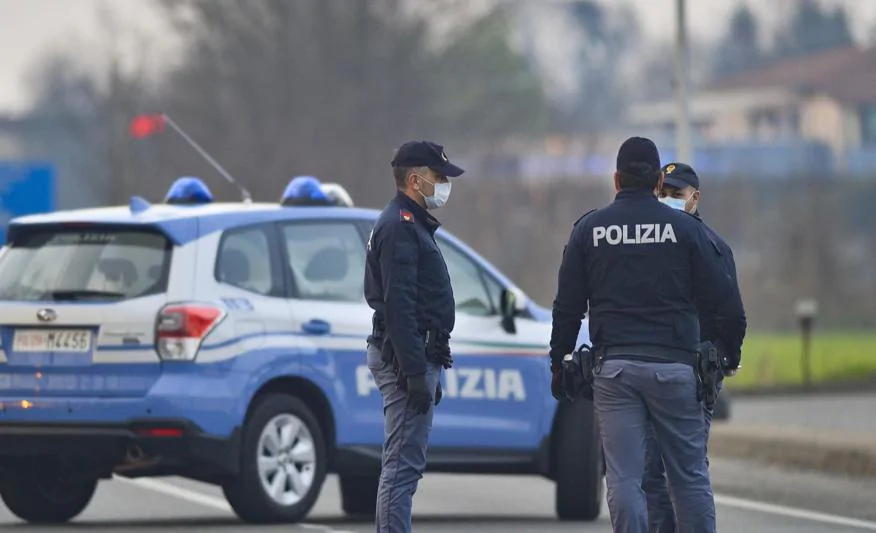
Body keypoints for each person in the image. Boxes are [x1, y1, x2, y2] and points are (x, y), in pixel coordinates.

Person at [549, 137, 746, 533]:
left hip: (615, 371)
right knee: (689, 477)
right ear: (658, 181)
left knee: (624, 478)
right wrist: (725, 356)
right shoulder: (687, 231)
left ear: (616, 179)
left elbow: (567, 306)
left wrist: (559, 362)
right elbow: (727, 303)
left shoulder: (590, 229)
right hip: (676, 370)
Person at [363, 140, 464, 533]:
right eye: (439, 178)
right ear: (415, 179)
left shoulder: (409, 222)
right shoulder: (400, 226)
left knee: (404, 464)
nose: (444, 185)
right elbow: (399, 304)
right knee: (402, 468)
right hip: (407, 356)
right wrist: (414, 369)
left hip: (418, 353)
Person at [643, 162, 747, 533]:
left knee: (684, 474)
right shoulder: (648, 244)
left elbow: (731, 313)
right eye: (662, 193)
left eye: (676, 194)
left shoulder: (710, 244)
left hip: (695, 370)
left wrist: (724, 358)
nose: (667, 200)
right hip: (654, 366)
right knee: (650, 472)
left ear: (694, 198)